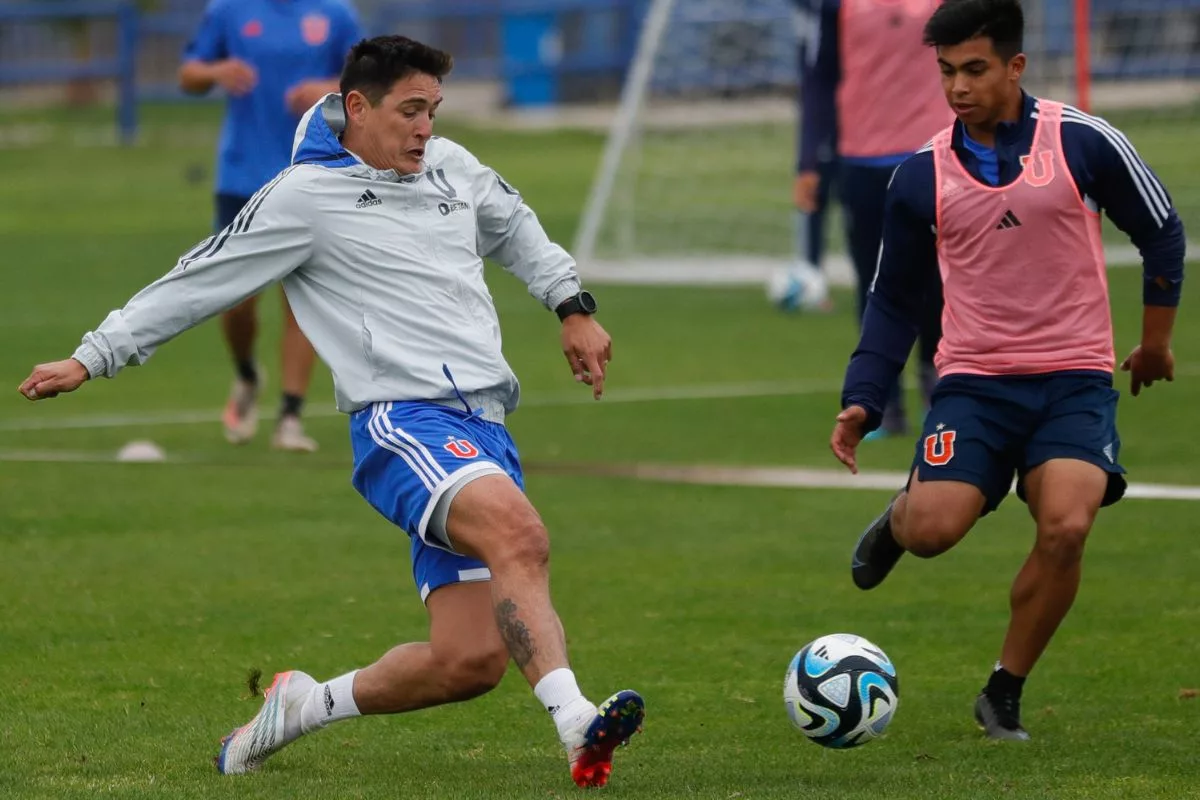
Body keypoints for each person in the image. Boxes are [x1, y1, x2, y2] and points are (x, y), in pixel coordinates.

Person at [20, 35, 644, 787]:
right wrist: (94, 355)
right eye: (410, 111)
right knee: (520, 534)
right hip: (403, 424)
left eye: (434, 111)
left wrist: (571, 306)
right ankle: (578, 725)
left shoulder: (452, 167)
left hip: (484, 425)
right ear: (357, 106)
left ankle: (305, 705)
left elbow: (516, 227)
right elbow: (197, 279)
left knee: (468, 663)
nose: (426, 128)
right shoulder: (304, 197)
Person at [830, 0, 1185, 740]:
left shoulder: (1083, 143)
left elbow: (1162, 232)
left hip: (1074, 382)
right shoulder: (919, 176)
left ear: (1015, 66)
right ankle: (900, 519)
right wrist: (863, 399)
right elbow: (892, 302)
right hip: (974, 386)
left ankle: (1004, 691)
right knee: (932, 532)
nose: (957, 87)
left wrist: (1155, 343)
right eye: (946, 72)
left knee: (1065, 527)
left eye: (974, 70)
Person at [179, 0, 363, 452]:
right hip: (242, 177)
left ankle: (290, 417)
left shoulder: (336, 14)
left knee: (302, 299)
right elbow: (188, 76)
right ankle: (245, 373)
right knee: (236, 302)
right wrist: (217, 72)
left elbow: (369, 84)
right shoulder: (228, 10)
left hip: (314, 173)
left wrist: (328, 87)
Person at [794, 0, 951, 436]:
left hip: (938, 153)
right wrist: (808, 160)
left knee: (942, 281)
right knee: (875, 282)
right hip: (862, 160)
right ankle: (882, 400)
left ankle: (937, 384)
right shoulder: (834, 6)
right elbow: (819, 80)